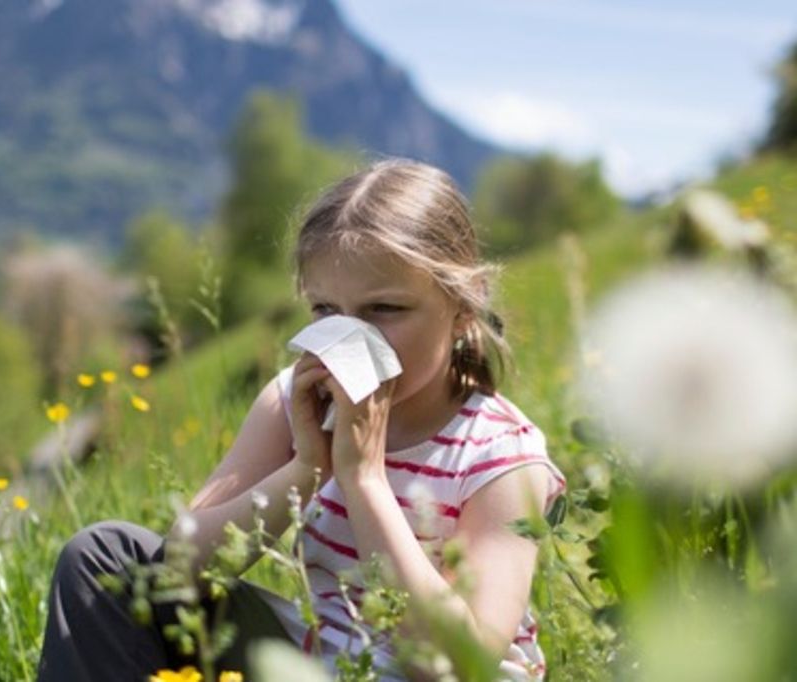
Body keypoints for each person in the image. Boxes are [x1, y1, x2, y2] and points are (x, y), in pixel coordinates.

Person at [36, 158, 566, 682]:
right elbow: (177, 569)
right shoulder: (297, 401)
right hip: (321, 662)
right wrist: (306, 470)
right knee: (103, 558)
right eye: (325, 312)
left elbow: (462, 662)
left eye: (384, 309)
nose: (350, 339)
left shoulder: (499, 455)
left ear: (462, 310)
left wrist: (364, 479)